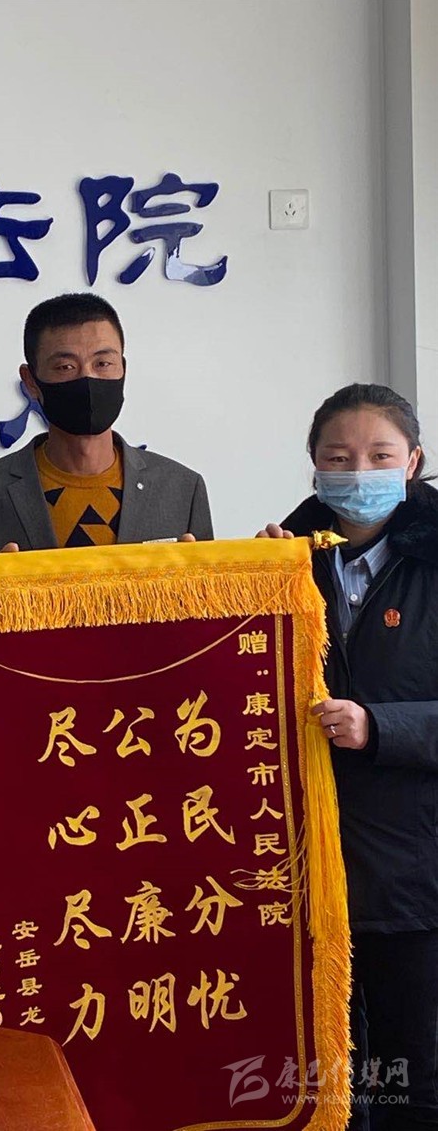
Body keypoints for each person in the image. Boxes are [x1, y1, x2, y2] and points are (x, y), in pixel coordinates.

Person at [260, 383, 438, 1128]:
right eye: (338, 457)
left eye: (379, 455)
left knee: (414, 1080)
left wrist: (381, 727)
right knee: (324, 1077)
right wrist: (241, 585)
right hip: (305, 870)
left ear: (413, 462)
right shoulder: (283, 559)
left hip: (415, 874)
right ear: (313, 463)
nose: (358, 472)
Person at [0, 293, 212, 554]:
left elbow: (215, 586)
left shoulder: (183, 489)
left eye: (103, 363)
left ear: (123, 369)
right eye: (65, 367)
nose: (87, 378)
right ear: (30, 381)